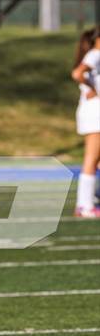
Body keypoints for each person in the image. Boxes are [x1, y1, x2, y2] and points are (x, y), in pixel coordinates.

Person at [71, 26, 100, 218]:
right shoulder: (96, 53)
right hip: (95, 113)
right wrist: (91, 87)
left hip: (92, 112)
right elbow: (77, 73)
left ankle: (89, 200)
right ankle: (84, 205)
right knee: (91, 158)